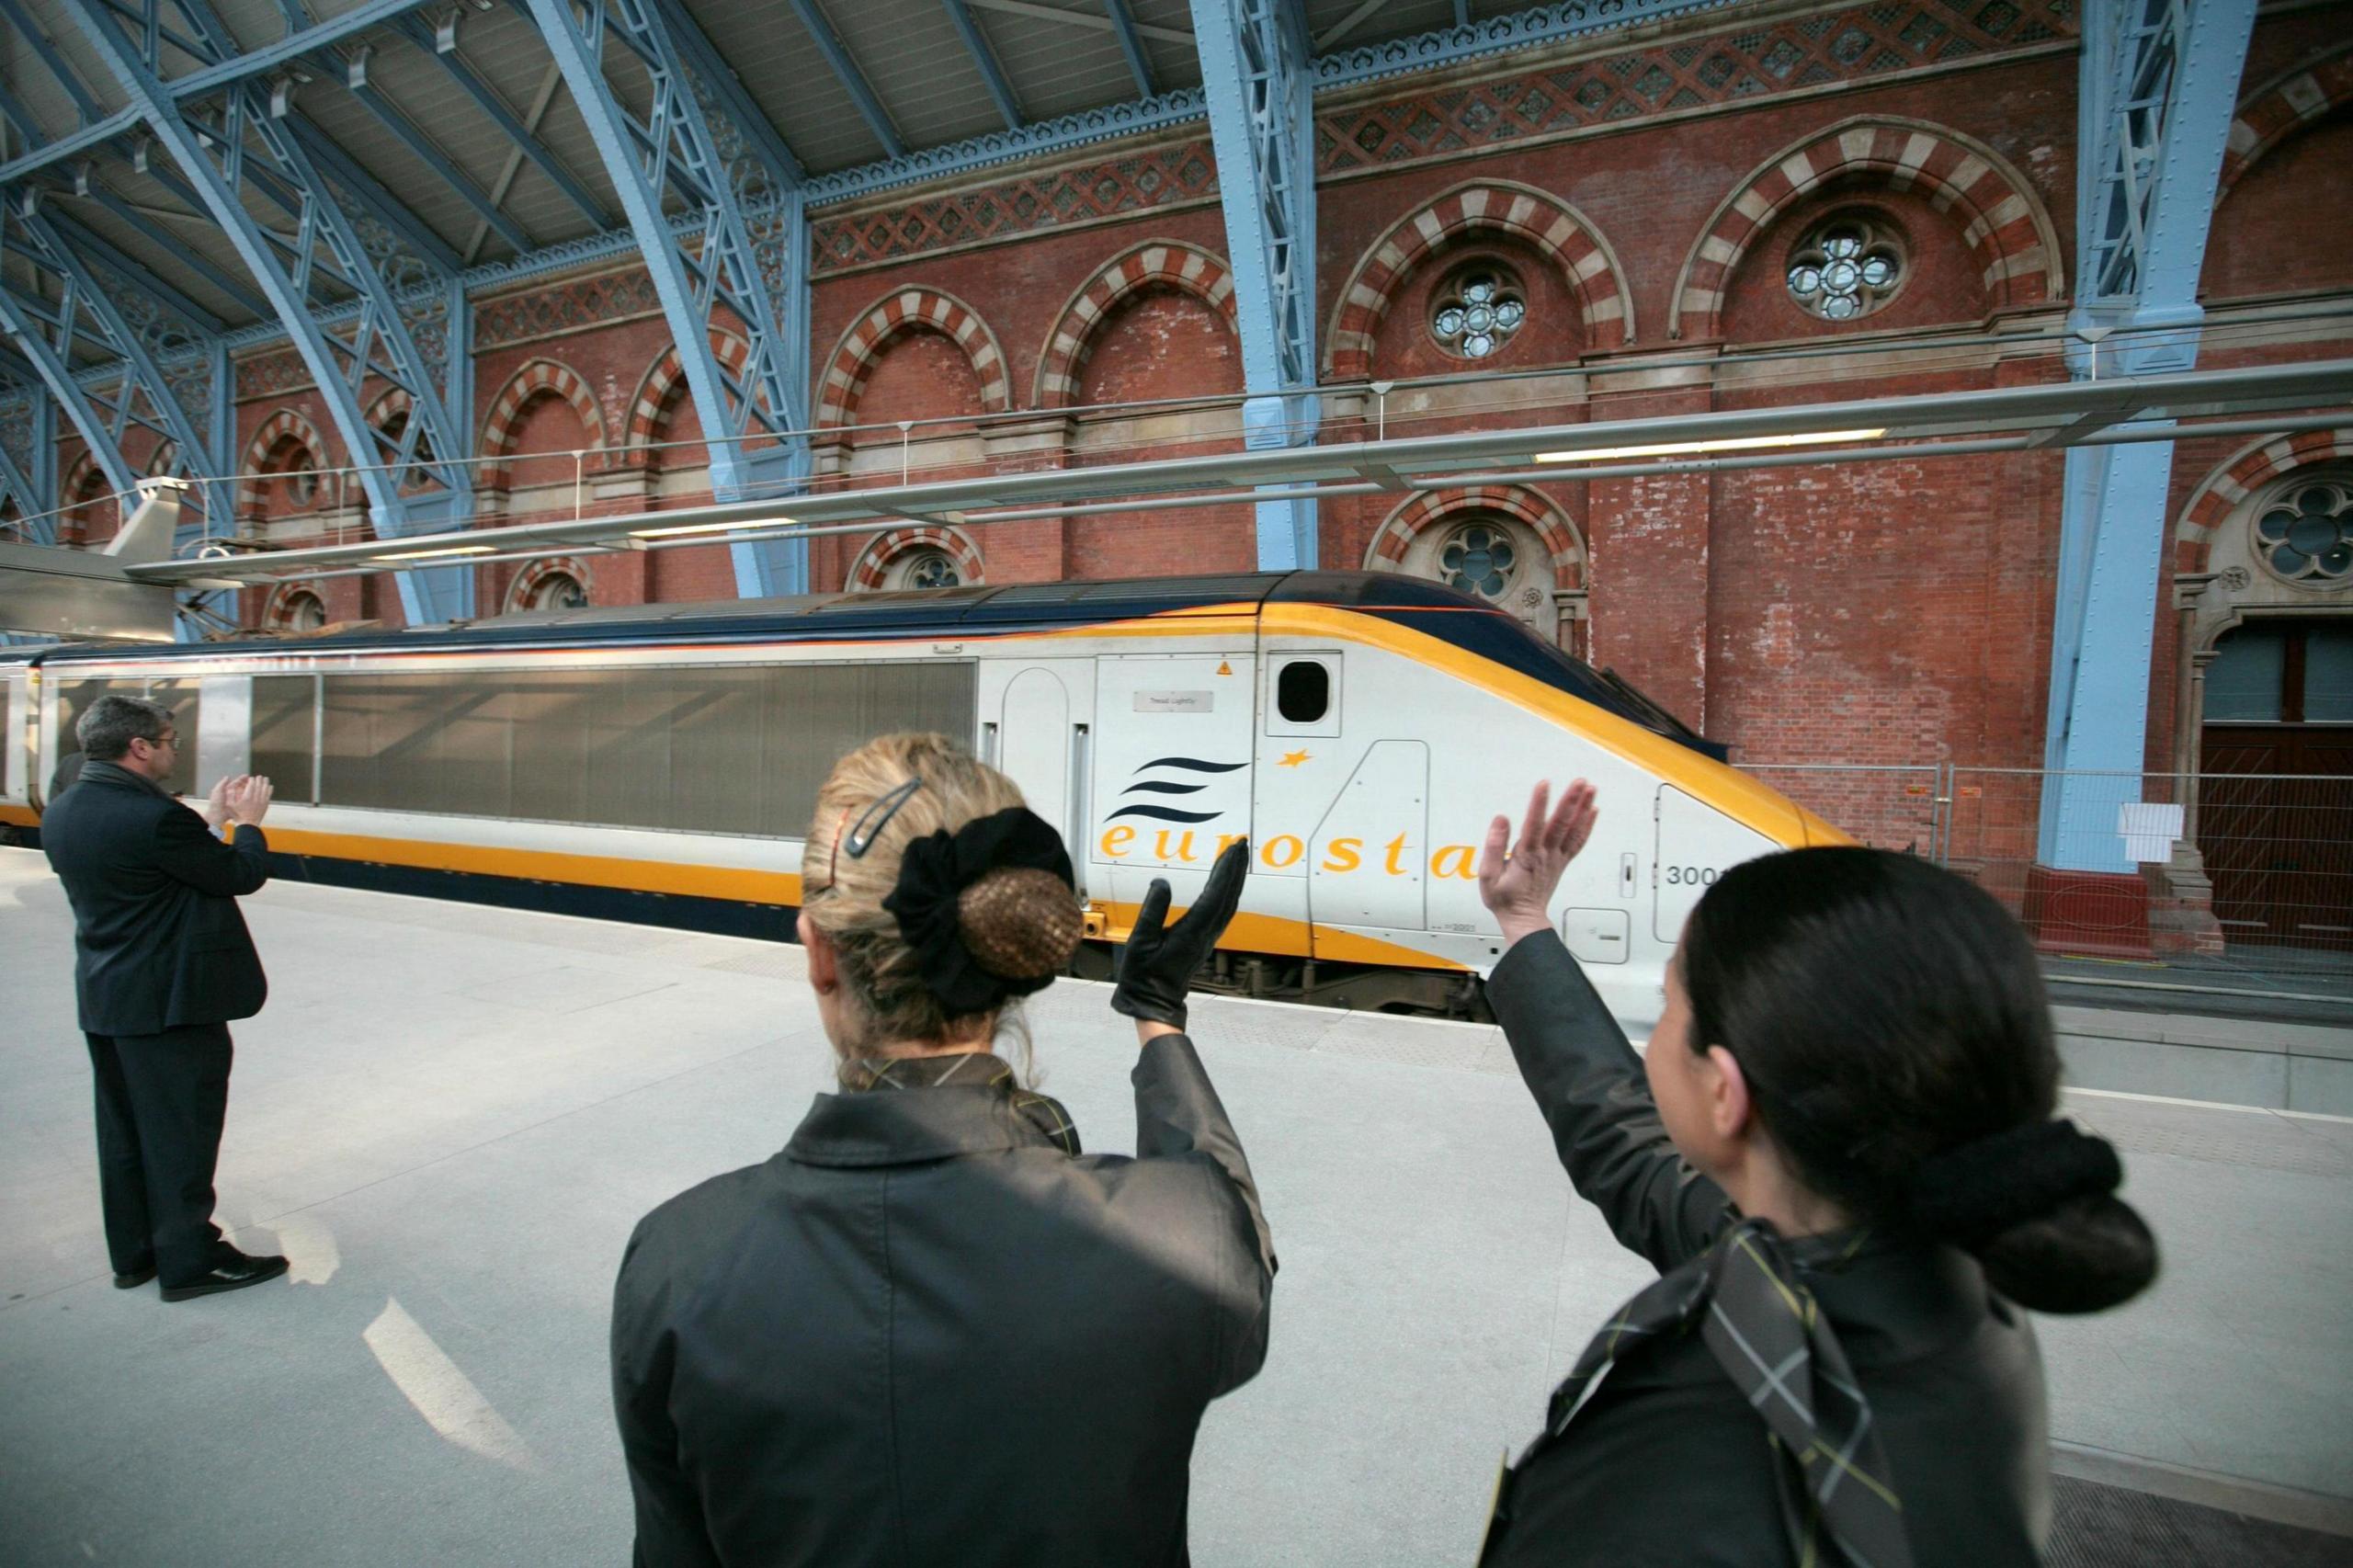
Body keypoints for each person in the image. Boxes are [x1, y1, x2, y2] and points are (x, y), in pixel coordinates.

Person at [610, 732, 1276, 1568]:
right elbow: (1235, 1246)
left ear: (820, 953)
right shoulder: (1173, 1241)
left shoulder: (679, 1261)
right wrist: (1156, 1016)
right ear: (1010, 951)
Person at [1473, 780, 2158, 1568]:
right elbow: (1629, 1149)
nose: (1658, 1031)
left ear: (1725, 1093)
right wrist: (1525, 926)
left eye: (1668, 1006)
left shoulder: (1677, 1465)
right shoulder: (1937, 1265)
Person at [40, 694, 288, 1302]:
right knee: (181, 1133)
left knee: (125, 1133)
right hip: (171, 1003)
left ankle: (136, 1256)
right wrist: (249, 824)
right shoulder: (152, 817)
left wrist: (206, 818)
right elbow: (237, 874)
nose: (176, 749)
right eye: (171, 741)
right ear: (140, 747)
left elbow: (154, 867)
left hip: (108, 998)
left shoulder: (66, 809)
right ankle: (191, 1261)